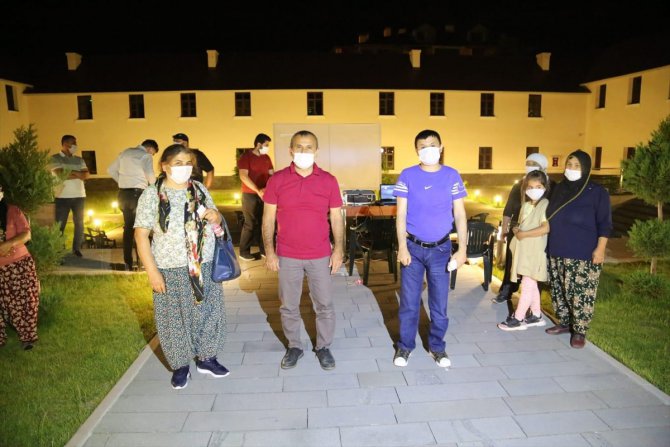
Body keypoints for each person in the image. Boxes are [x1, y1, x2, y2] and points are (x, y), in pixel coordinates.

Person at [134, 144, 229, 389]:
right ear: (165, 166)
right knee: (174, 318)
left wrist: (215, 216)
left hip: (204, 264)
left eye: (188, 163)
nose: (184, 168)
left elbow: (216, 217)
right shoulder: (152, 195)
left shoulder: (198, 189)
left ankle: (207, 358)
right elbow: (141, 235)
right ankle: (180, 365)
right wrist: (152, 272)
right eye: (178, 163)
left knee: (208, 311)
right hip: (170, 267)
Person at [262, 130, 344, 371]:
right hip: (287, 254)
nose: (304, 151)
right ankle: (294, 346)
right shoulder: (277, 180)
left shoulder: (328, 180)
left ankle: (324, 347)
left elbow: (336, 218)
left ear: (316, 151)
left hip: (320, 254)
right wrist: (270, 251)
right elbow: (268, 218)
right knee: (288, 306)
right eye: (299, 146)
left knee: (325, 305)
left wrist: (339, 250)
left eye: (309, 147)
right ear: (291, 150)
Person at [393, 129, 468, 368]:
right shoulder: (407, 175)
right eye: (422, 146)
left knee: (439, 305)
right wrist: (402, 247)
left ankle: (437, 347)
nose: (428, 150)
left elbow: (460, 214)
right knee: (409, 303)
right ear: (416, 150)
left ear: (441, 147)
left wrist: (462, 249)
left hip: (441, 250)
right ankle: (405, 346)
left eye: (432, 145)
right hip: (413, 249)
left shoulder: (451, 175)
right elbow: (401, 214)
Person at [545, 149, 611, 349]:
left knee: (581, 292)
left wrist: (600, 249)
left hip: (582, 252)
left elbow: (605, 223)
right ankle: (565, 322)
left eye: (577, 166)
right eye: (569, 164)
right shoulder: (559, 188)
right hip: (557, 248)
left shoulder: (596, 192)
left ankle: (580, 330)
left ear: (586, 168)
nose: (572, 169)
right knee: (559, 289)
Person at [494, 153, 553, 304]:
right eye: (528, 163)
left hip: (537, 233)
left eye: (534, 164)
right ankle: (507, 289)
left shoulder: (551, 186)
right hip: (517, 230)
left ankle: (533, 300)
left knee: (533, 266)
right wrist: (505, 229)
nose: (530, 166)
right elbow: (509, 209)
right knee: (512, 261)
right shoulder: (519, 186)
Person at [497, 169, 550, 331]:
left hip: (535, 251)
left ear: (545, 187)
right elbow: (523, 225)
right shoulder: (526, 206)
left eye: (538, 187)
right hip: (524, 250)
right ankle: (536, 315)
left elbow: (545, 228)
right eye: (530, 187)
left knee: (527, 284)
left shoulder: (545, 205)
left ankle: (518, 318)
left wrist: (523, 234)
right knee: (530, 283)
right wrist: (516, 230)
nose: (534, 190)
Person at [107, 139, 159, 271]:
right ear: (150, 148)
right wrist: (156, 189)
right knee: (141, 229)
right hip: (138, 195)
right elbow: (151, 176)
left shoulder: (125, 153)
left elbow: (111, 170)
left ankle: (128, 262)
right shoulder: (145, 156)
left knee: (128, 229)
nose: (152, 155)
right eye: (153, 153)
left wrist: (123, 182)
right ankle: (142, 262)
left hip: (123, 195)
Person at [0, 185, 40, 350]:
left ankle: (27, 337)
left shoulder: (13, 211)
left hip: (18, 265)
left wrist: (8, 244)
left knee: (24, 302)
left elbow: (26, 234)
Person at [50, 135, 89, 257]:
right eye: (73, 143)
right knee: (60, 225)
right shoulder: (54, 158)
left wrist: (69, 172)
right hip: (62, 196)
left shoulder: (79, 159)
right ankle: (59, 250)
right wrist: (78, 174)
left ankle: (76, 249)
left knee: (79, 224)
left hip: (79, 196)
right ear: (65, 144)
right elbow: (60, 174)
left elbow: (86, 175)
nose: (75, 146)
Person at [237, 133, 274, 261]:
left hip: (264, 194)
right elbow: (243, 176)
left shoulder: (266, 158)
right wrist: (258, 190)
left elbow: (272, 175)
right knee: (250, 223)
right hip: (250, 194)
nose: (267, 147)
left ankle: (264, 250)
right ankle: (244, 252)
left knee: (264, 222)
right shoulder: (246, 157)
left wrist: (267, 189)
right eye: (266, 145)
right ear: (259, 144)